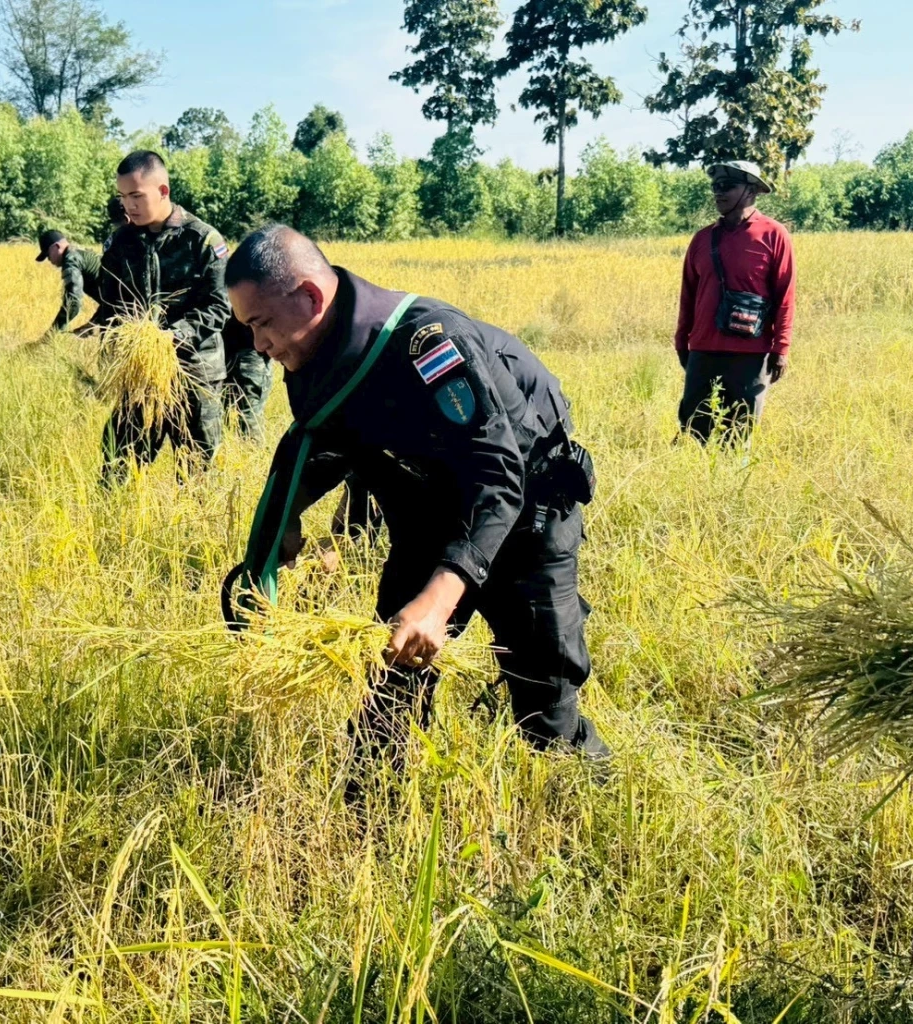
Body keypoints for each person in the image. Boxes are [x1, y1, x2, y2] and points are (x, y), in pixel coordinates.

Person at [225, 225, 607, 792]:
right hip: (428, 515)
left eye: (260, 324)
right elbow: (320, 440)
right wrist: (281, 531)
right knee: (389, 689)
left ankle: (588, 801)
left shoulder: (426, 342)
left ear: (308, 297)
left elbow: (498, 481)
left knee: (544, 706)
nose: (258, 346)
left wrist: (438, 600)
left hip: (526, 515)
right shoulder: (311, 358)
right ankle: (368, 821)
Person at [90, 150, 231, 475]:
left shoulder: (202, 240)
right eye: (123, 197)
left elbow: (218, 307)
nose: (129, 205)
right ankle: (114, 524)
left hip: (195, 374)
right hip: (140, 375)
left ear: (163, 191)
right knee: (117, 466)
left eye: (137, 196)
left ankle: (195, 527)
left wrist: (174, 335)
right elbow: (110, 302)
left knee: (197, 473)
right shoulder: (119, 243)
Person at [675, 160, 797, 442]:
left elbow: (785, 296)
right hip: (703, 350)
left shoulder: (774, 235)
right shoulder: (702, 239)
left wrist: (781, 348)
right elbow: (688, 295)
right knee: (694, 431)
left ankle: (731, 483)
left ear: (752, 191)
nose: (719, 192)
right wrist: (683, 341)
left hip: (751, 355)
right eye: (715, 186)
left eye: (727, 186)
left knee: (739, 433)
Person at [37, 228, 103, 334]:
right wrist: (92, 324)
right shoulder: (81, 253)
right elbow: (110, 300)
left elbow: (73, 304)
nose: (49, 260)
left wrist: (52, 333)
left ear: (56, 247)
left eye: (48, 254)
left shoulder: (71, 260)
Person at [221, 317, 273, 438]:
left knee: (247, 415)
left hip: (250, 352)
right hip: (230, 350)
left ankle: (251, 451)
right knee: (230, 415)